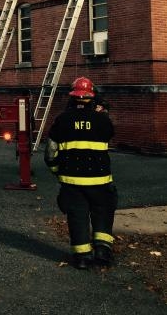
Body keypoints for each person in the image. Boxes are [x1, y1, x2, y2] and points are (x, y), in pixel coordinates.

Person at [44, 76, 117, 270]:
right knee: (103, 212)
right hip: (100, 181)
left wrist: (56, 170)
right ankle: (103, 251)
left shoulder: (62, 120)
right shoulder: (103, 120)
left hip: (72, 182)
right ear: (92, 97)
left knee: (77, 216)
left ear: (72, 97)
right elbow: (109, 133)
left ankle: (82, 257)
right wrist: (102, 112)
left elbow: (50, 152)